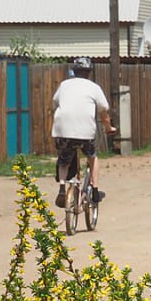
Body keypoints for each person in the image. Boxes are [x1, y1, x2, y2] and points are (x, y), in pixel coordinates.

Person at [50, 57, 114, 208]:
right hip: (85, 132)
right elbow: (104, 112)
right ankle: (96, 189)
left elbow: (55, 103)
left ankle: (61, 188)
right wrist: (109, 128)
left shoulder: (64, 85)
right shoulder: (93, 87)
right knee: (92, 156)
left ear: (74, 71)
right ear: (89, 72)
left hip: (63, 130)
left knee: (63, 160)